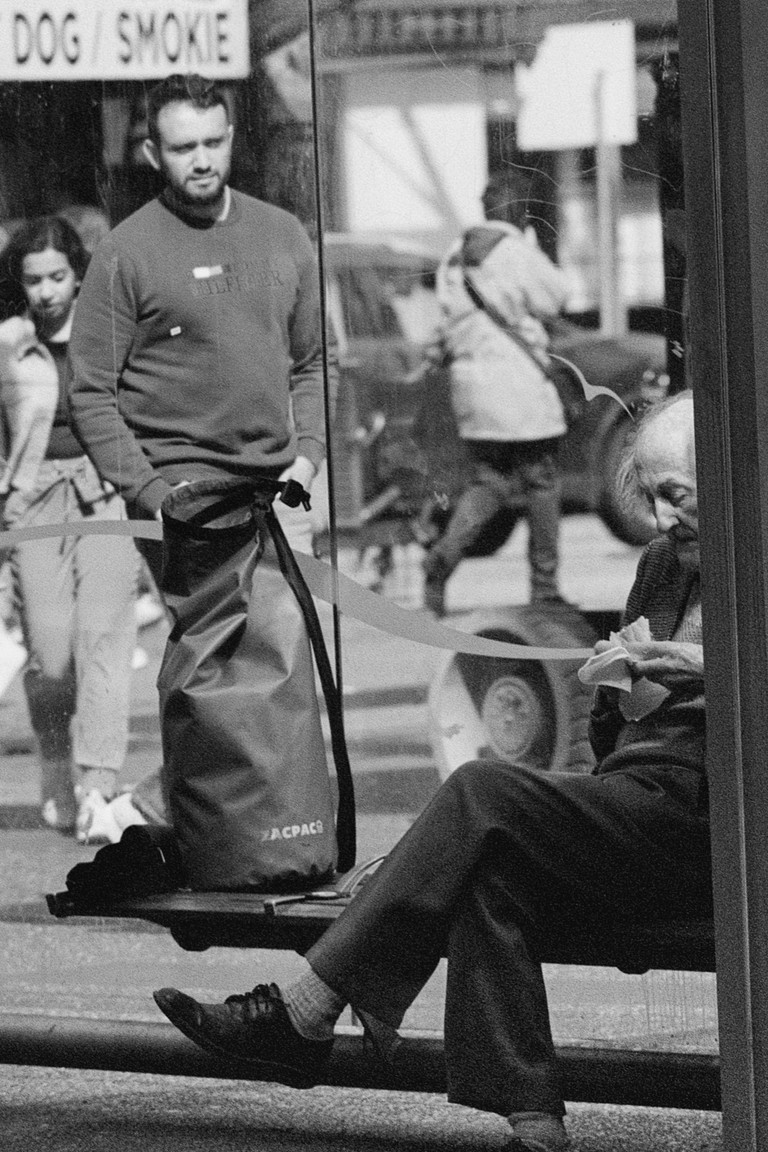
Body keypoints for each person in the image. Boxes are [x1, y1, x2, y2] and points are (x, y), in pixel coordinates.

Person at [153, 391, 709, 1152]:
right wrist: (626, 682)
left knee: (483, 791)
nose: (661, 518)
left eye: (674, 497)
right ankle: (533, 1123)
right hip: (639, 802)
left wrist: (701, 666)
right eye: (649, 500)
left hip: (719, 815)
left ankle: (306, 1010)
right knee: (489, 871)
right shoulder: (662, 565)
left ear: (727, 477)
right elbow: (616, 726)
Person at [67, 72, 332, 833]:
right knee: (235, 660)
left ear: (233, 139)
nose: (202, 160)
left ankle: (235, 824)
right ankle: (202, 820)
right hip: (186, 496)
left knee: (274, 662)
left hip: (281, 489)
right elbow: (90, 391)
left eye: (214, 142)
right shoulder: (125, 254)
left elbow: (314, 363)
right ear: (153, 150)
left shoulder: (282, 234)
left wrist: (307, 455)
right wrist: (151, 491)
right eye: (183, 147)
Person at [0, 216, 140, 841]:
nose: (46, 291)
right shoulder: (7, 344)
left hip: (103, 491)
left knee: (105, 633)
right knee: (51, 653)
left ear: (77, 274)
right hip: (32, 499)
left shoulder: (109, 330)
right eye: (33, 280)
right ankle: (56, 766)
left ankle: (98, 784)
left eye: (57, 276)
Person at [421, 171, 571, 616]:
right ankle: (544, 589)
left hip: (472, 391)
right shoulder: (517, 250)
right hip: (518, 386)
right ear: (518, 212)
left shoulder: (452, 255)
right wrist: (530, 243)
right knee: (541, 481)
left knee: (491, 482)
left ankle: (443, 556)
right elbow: (556, 298)